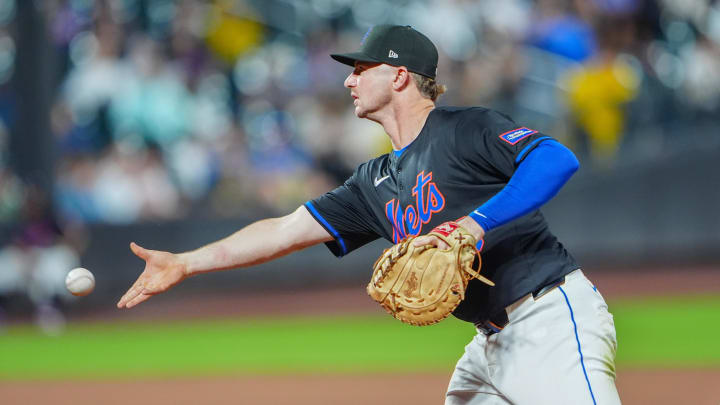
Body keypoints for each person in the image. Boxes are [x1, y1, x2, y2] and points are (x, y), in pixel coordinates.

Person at [117, 25, 620, 404]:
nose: (348, 81)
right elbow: (285, 230)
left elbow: (557, 158)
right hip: (489, 343)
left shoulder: (466, 128)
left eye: (360, 69)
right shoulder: (372, 181)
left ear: (400, 75)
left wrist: (473, 224)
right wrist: (186, 262)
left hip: (547, 317)